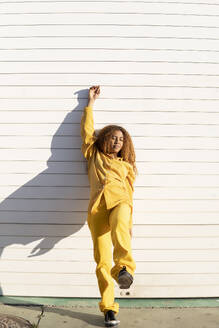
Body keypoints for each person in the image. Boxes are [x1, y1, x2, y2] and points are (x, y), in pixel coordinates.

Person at [80, 85, 137, 327]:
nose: (117, 141)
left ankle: (124, 266)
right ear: (104, 139)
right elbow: (86, 130)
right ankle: (109, 308)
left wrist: (129, 224)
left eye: (121, 139)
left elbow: (130, 195)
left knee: (121, 218)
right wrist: (90, 103)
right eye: (113, 137)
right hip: (97, 211)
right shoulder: (93, 154)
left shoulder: (126, 166)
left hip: (120, 203)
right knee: (102, 261)